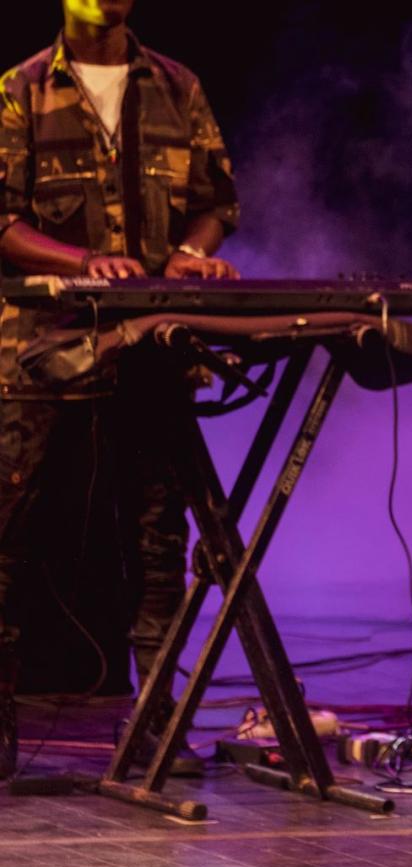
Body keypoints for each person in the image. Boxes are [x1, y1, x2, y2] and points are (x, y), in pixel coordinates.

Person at [0, 0, 240, 778]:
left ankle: (155, 726)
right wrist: (79, 262)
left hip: (151, 349)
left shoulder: (178, 86)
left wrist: (189, 255)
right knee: (7, 535)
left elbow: (215, 203)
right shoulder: (20, 90)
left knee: (159, 539)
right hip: (41, 348)